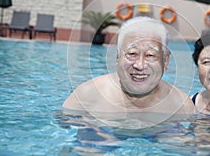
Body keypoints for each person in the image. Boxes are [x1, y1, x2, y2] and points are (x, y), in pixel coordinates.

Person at [63, 16, 194, 128]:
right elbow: (60, 128)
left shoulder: (181, 106)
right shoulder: (87, 96)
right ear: (117, 57)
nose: (140, 65)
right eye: (132, 54)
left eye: (150, 55)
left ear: (165, 61)